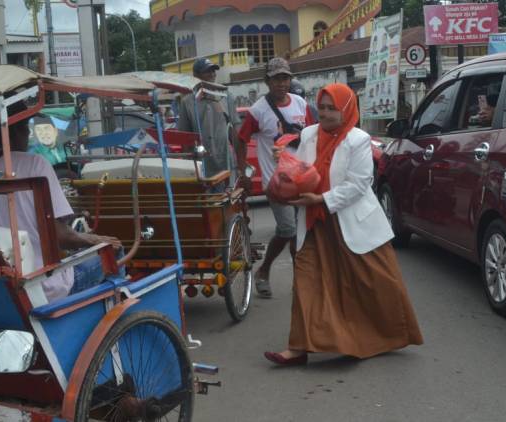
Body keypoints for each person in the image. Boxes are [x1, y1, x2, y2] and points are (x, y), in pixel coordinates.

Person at [264, 83, 423, 365]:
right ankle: (298, 347)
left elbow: (360, 183)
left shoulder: (358, 139)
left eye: (331, 108)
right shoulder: (309, 134)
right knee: (306, 279)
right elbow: (301, 171)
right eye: (321, 107)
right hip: (313, 222)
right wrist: (285, 162)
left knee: (372, 282)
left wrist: (322, 199)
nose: (324, 114)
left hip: (348, 219)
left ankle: (387, 334)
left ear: (346, 109)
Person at [0, 99, 121, 302]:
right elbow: (60, 236)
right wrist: (94, 240)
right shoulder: (35, 164)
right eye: (26, 129)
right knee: (114, 250)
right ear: (17, 131)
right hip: (36, 289)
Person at [238, 57, 315, 298]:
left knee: (299, 231)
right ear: (267, 82)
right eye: (276, 79)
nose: (281, 83)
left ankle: (286, 276)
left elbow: (312, 136)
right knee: (288, 229)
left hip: (301, 178)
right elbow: (240, 140)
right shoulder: (258, 110)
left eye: (285, 78)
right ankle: (268, 271)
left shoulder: (301, 104)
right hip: (276, 182)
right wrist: (244, 172)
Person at [177, 57, 245, 185]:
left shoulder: (225, 96)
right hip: (202, 163)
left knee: (229, 199)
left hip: (225, 160)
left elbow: (234, 132)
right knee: (208, 201)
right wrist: (189, 167)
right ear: (196, 76)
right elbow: (185, 138)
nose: (212, 74)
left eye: (213, 71)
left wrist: (241, 163)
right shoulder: (188, 102)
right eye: (207, 71)